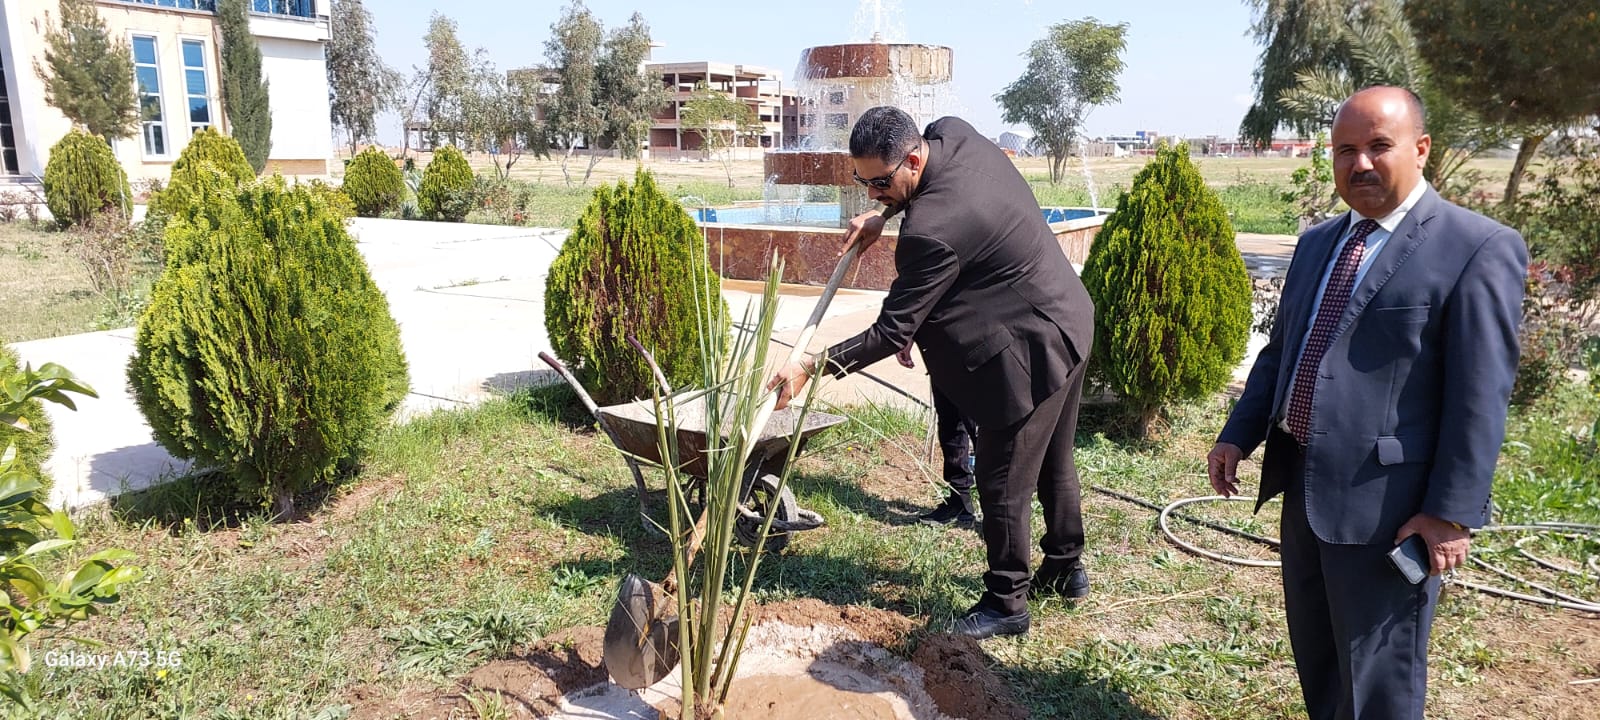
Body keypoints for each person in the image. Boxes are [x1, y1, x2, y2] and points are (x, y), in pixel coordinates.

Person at [1207, 86, 1526, 719]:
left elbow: (1480, 397)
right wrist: (1238, 433)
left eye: (1380, 146)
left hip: (1390, 509)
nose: (1360, 164)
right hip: (1304, 488)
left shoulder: (1474, 247)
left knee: (1379, 681)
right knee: (1320, 656)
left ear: (1421, 148)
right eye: (1345, 150)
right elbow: (1284, 350)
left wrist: (1449, 513)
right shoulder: (1317, 244)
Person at [768, 106, 1096, 639]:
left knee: (1001, 479)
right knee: (1055, 460)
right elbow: (926, 199)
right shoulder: (952, 133)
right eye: (862, 182)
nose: (872, 193)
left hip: (1030, 348)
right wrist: (884, 215)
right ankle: (1065, 567)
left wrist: (811, 365)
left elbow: (890, 333)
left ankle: (1007, 602)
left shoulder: (930, 231)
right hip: (1069, 315)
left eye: (880, 183)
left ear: (913, 160)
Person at [895, 344, 979, 527]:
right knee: (950, 422)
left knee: (983, 429)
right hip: (941, 350)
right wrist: (907, 338)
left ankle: (999, 511)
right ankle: (960, 501)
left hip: (977, 347)